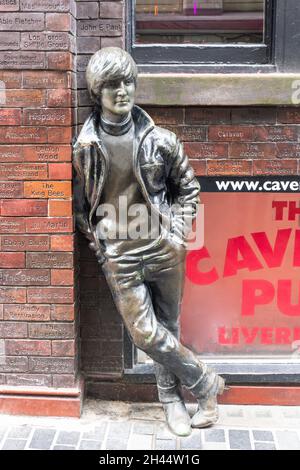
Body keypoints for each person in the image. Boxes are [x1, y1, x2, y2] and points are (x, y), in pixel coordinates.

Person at [73, 47, 225, 436]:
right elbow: (80, 207)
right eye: (111, 85)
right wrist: (101, 248)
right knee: (145, 333)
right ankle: (206, 382)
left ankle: (172, 401)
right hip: (120, 253)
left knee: (167, 327)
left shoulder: (162, 140)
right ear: (97, 92)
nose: (122, 91)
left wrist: (176, 232)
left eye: (127, 82)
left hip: (162, 246)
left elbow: (189, 189)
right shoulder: (85, 148)